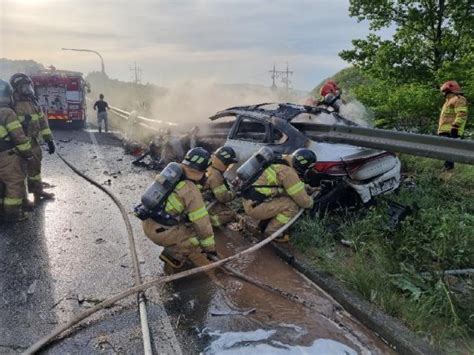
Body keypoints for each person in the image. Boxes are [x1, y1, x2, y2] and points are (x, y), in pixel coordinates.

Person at [141, 147, 216, 269]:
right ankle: (173, 256)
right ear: (202, 170)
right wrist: (210, 250)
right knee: (195, 238)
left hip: (147, 223)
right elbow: (202, 225)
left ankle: (174, 245)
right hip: (161, 233)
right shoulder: (191, 190)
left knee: (187, 224)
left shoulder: (172, 173)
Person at [240, 148, 316, 243]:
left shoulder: (281, 160)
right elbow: (304, 202)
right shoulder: (288, 173)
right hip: (255, 207)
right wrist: (312, 201)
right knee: (292, 205)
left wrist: (305, 188)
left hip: (249, 200)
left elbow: (290, 186)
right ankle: (272, 232)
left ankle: (260, 224)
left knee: (284, 198)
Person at [10, 73, 55, 204]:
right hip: (18, 144)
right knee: (18, 173)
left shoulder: (32, 101)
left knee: (35, 169)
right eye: (24, 86)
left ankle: (38, 191)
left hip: (34, 142)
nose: (28, 89)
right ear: (17, 88)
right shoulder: (13, 103)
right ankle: (22, 199)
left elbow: (42, 122)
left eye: (29, 86)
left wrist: (49, 139)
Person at [0, 79, 33, 222]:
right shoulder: (7, 112)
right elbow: (18, 137)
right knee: (14, 183)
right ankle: (12, 214)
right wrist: (28, 154)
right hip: (6, 155)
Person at [438, 81, 468, 171]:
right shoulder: (448, 100)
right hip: (445, 130)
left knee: (449, 151)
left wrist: (455, 126)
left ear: (449, 90)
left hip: (452, 130)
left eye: (444, 91)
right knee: (446, 151)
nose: (443, 93)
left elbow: (462, 114)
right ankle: (447, 168)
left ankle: (448, 169)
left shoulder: (458, 99)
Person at [205, 146, 239, 228]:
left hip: (200, 199)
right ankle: (208, 222)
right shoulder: (216, 175)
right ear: (224, 162)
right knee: (231, 214)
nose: (229, 167)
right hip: (204, 203)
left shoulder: (209, 166)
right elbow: (223, 198)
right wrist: (235, 191)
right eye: (229, 164)